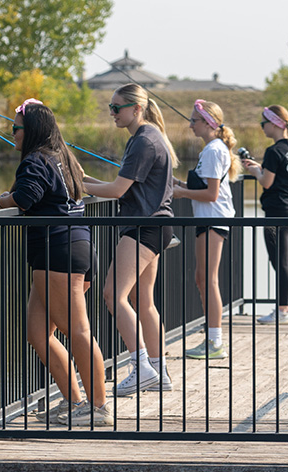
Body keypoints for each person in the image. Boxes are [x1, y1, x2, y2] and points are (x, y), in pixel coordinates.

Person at [0, 99, 109, 425]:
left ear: (32, 130)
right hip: (69, 249)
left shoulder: (37, 161)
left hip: (60, 253)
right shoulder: (62, 158)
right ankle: (74, 401)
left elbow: (25, 198)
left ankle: (98, 409)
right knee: (38, 333)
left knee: (77, 330)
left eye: (15, 128)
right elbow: (33, 191)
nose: (12, 133)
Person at [82, 83, 177, 397]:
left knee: (113, 295)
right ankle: (158, 371)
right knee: (144, 302)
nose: (111, 113)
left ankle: (141, 368)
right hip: (156, 226)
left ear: (136, 108)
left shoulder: (143, 141)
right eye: (110, 107)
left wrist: (81, 185)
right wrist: (81, 180)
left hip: (142, 227)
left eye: (116, 107)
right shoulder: (149, 136)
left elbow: (117, 191)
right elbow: (119, 185)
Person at [173, 99, 241, 360]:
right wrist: (178, 183)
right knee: (202, 279)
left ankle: (215, 343)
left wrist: (181, 193)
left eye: (194, 120)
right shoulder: (211, 150)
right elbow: (204, 187)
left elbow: (211, 194)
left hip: (213, 218)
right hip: (207, 219)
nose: (190, 125)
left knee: (208, 280)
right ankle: (211, 338)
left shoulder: (213, 150)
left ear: (207, 123)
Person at [242, 105, 288, 325]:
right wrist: (261, 168)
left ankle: (283, 311)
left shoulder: (273, 151)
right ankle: (287, 308)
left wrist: (255, 171)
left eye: (263, 123)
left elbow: (267, 183)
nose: (262, 127)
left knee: (280, 262)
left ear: (274, 124)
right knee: (287, 263)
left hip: (275, 214)